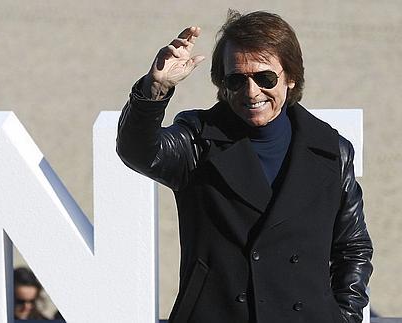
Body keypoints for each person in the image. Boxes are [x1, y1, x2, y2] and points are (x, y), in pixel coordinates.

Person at [117, 10, 373, 323]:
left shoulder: (332, 151)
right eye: (237, 80)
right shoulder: (197, 141)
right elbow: (138, 152)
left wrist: (345, 316)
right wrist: (155, 89)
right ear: (222, 84)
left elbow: (352, 247)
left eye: (265, 78)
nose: (251, 92)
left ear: (290, 77)